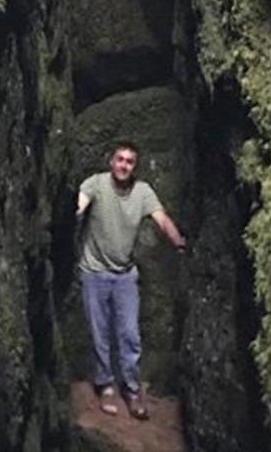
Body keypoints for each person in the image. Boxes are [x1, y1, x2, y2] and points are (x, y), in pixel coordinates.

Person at [76, 142, 186, 420]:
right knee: (100, 334)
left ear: (134, 166)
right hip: (94, 272)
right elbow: (80, 203)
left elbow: (161, 220)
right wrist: (74, 212)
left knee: (129, 335)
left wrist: (179, 243)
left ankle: (133, 390)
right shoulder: (97, 184)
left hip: (125, 275)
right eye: (120, 159)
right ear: (111, 162)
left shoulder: (143, 191)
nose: (124, 165)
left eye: (130, 161)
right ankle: (105, 386)